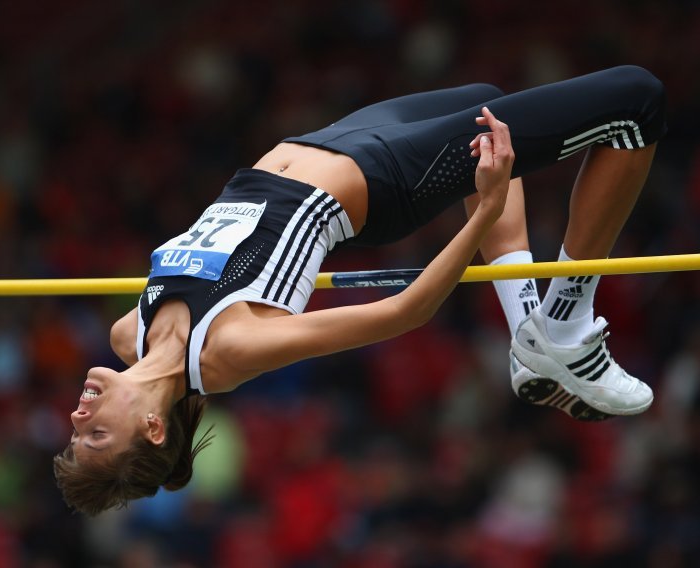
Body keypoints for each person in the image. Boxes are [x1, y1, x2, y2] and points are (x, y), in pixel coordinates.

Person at [54, 65, 667, 515]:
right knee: (637, 103)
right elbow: (406, 311)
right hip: (381, 180)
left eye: (77, 431)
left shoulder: (127, 333)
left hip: (319, 145)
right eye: (97, 434)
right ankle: (565, 319)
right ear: (154, 429)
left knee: (486, 99)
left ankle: (533, 328)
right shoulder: (225, 353)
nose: (80, 417)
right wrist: (487, 205)